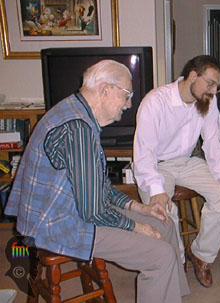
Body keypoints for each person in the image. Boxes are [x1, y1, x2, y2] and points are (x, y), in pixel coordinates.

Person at [5, 60, 190, 303]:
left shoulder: (76, 111)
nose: (129, 104)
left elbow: (99, 185)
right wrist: (138, 227)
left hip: (70, 208)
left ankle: (171, 296)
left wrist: (139, 208)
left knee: (164, 224)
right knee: (161, 255)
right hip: (54, 225)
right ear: (105, 90)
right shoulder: (77, 129)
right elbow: (93, 211)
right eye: (126, 95)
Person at [133, 55, 220, 288]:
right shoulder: (155, 102)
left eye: (217, 87)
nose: (213, 91)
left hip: (186, 161)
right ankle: (176, 260)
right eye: (210, 83)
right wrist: (156, 189)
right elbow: (144, 153)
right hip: (155, 165)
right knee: (163, 210)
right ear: (193, 75)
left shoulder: (206, 102)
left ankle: (201, 254)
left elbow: (213, 141)